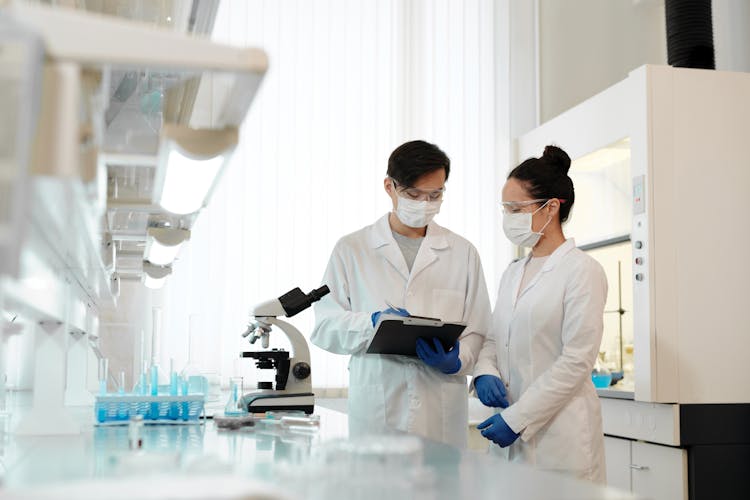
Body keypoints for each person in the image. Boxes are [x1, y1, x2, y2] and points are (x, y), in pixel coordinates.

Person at [311, 140, 491, 448]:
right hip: (378, 413)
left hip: (440, 412)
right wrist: (373, 323)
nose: (424, 203)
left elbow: (479, 329)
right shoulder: (352, 249)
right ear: (389, 187)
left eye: (435, 195)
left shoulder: (462, 253)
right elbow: (326, 325)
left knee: (441, 491)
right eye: (413, 194)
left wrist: (457, 359)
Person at [473, 145, 608, 482]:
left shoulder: (582, 271)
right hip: (510, 438)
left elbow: (576, 360)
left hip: (560, 440)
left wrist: (518, 418)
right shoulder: (513, 271)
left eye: (516, 208)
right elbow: (493, 338)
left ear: (551, 207)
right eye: (505, 209)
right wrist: (483, 371)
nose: (508, 218)